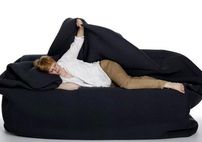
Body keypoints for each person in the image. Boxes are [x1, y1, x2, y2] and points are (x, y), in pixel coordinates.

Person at [33, 18, 185, 94]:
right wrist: (58, 86)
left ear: (55, 62)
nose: (56, 70)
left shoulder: (66, 60)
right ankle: (164, 81)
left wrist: (80, 25)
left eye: (55, 66)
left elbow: (78, 41)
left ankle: (167, 84)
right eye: (52, 71)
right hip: (105, 83)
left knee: (128, 84)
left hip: (104, 68)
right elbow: (74, 86)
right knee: (134, 81)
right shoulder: (62, 80)